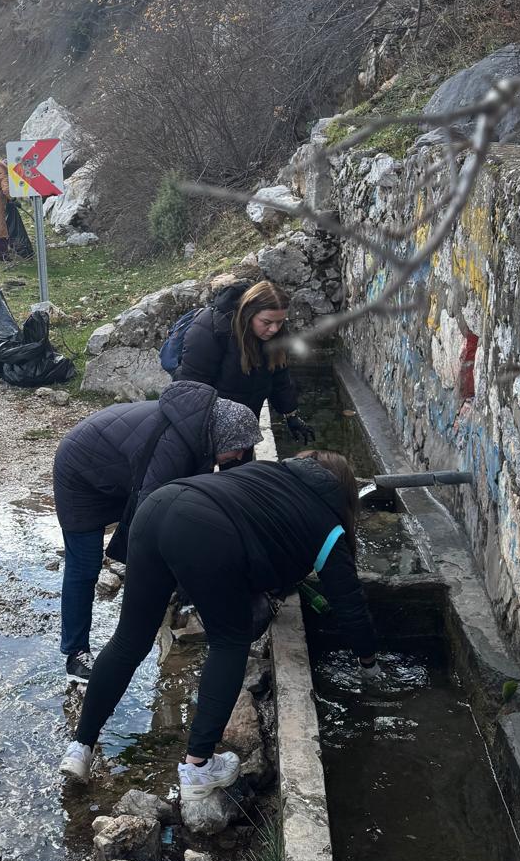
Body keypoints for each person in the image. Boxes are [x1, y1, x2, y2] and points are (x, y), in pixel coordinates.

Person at [60, 451, 376, 799]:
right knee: (230, 640)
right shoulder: (325, 523)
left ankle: (80, 748)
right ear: (344, 495)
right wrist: (368, 663)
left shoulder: (271, 474)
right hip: (201, 527)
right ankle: (197, 768)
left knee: (128, 641)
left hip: (157, 507)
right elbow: (351, 605)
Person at [53, 385, 261, 684]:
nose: (240, 455)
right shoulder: (174, 446)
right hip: (80, 472)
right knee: (84, 565)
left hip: (119, 472)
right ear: (221, 436)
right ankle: (76, 652)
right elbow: (152, 519)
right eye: (238, 447)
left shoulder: (198, 433)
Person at [176, 279, 313, 445]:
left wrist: (291, 415)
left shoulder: (274, 333)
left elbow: (280, 377)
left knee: (241, 469)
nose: (274, 329)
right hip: (209, 423)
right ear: (248, 313)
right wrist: (199, 436)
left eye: (280, 321)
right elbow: (192, 388)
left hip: (245, 422)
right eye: (267, 322)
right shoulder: (210, 329)